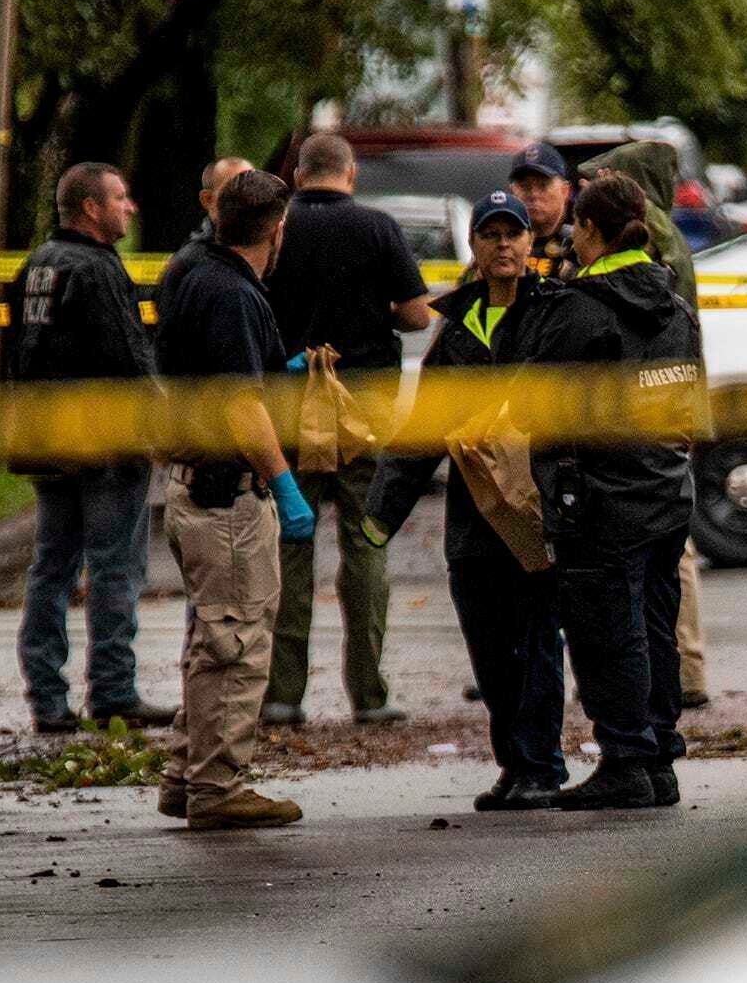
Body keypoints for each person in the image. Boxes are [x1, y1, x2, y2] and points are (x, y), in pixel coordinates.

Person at [368, 190, 572, 811]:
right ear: (475, 247)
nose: (504, 243)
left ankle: (542, 765)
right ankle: (514, 763)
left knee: (537, 642)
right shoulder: (455, 332)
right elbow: (424, 429)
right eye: (491, 234)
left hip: (535, 515)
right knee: (489, 647)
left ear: (529, 244)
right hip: (475, 522)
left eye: (513, 233)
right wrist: (379, 515)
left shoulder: (555, 314)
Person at [526, 171, 703, 811]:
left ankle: (627, 758)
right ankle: (657, 756)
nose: (571, 234)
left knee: (607, 630)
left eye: (577, 224)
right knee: (656, 626)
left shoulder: (581, 309)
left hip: (599, 496)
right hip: (665, 490)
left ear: (592, 230)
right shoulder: (675, 302)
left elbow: (535, 400)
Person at [148, 167, 313, 830]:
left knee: (210, 637)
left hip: (191, 486)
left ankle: (186, 772)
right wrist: (286, 486)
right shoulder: (234, 295)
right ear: (276, 230)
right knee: (237, 643)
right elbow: (241, 407)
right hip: (227, 499)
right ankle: (219, 787)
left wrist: (280, 368)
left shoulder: (190, 269)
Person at [261, 132, 432, 728]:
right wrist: (370, 310)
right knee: (365, 543)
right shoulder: (378, 228)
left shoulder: (277, 228)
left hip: (288, 403)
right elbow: (416, 315)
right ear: (351, 173)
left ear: (300, 175)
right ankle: (369, 694)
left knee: (291, 543)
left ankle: (282, 695)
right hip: (363, 405)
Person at [10, 161, 175, 735]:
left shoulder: (38, 264)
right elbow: (129, 359)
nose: (130, 208)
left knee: (50, 568)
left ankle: (47, 699)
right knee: (114, 568)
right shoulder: (99, 270)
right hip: (105, 443)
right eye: (120, 199)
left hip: (46, 438)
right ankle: (113, 690)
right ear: (91, 209)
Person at [584, 139, 714, 709]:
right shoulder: (664, 230)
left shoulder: (650, 233)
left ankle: (682, 673)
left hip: (648, 414)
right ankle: (678, 675)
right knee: (669, 550)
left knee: (665, 558)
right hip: (671, 403)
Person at [153, 155, 252, 327]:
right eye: (234, 192)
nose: (248, 200)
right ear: (207, 200)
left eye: (253, 189)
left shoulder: (264, 249)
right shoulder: (189, 263)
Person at [508, 141, 581, 283]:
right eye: (525, 186)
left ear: (565, 191)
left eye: (543, 185)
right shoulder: (500, 239)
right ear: (512, 191)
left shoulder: (582, 240)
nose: (533, 194)